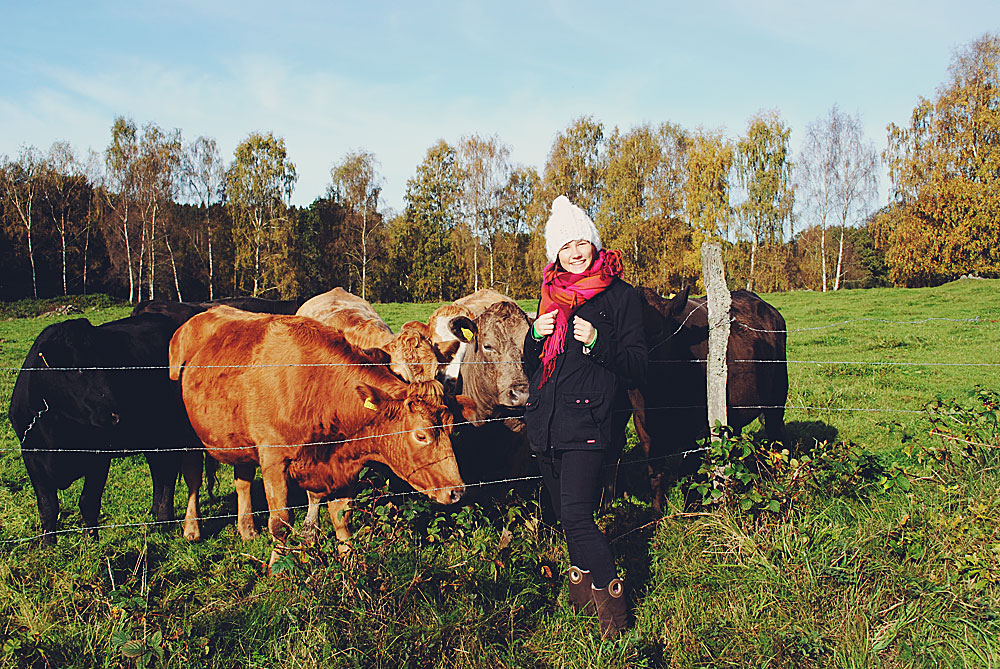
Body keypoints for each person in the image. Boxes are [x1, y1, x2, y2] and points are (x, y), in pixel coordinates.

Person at [523, 195, 648, 639]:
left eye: (582, 242)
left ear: (595, 244)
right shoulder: (550, 296)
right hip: (545, 425)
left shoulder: (620, 297)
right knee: (565, 517)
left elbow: (636, 366)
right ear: (554, 253)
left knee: (577, 516)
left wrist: (597, 341)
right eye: (566, 245)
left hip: (589, 425)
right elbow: (534, 369)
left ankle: (617, 622)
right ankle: (582, 604)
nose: (576, 252)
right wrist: (532, 339)